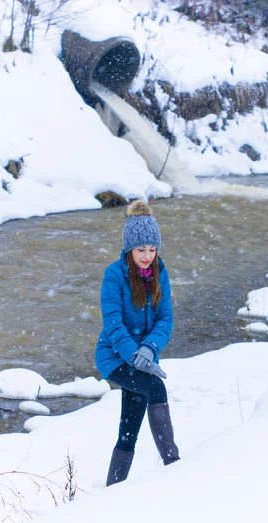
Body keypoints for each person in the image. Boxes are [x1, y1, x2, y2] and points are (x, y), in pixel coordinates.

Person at [96, 200, 180, 486]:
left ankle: (113, 488)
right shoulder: (114, 275)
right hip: (115, 357)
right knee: (155, 387)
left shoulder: (160, 274)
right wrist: (134, 355)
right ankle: (174, 464)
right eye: (141, 249)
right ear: (130, 248)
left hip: (144, 356)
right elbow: (113, 324)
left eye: (152, 249)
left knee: (130, 425)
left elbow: (165, 319)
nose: (147, 256)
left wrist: (150, 348)